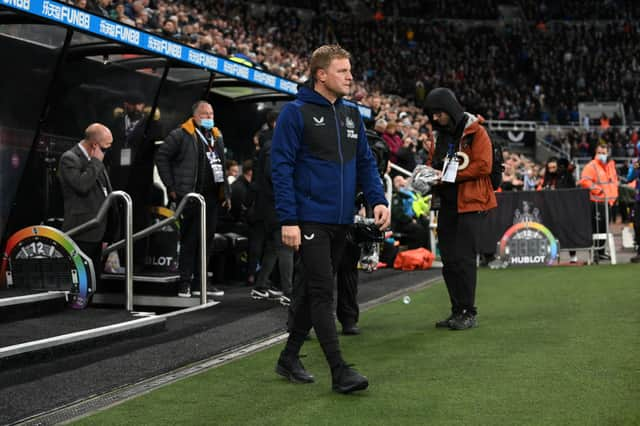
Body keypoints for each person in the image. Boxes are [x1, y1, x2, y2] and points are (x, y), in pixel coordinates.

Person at [271, 44, 390, 394]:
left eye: (350, 70)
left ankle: (289, 357)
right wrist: (289, 219)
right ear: (321, 74)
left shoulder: (352, 114)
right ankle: (340, 371)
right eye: (342, 71)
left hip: (342, 220)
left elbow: (366, 163)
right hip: (309, 220)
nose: (350, 76)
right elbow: (280, 169)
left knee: (310, 291)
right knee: (324, 291)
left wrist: (377, 199)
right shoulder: (295, 113)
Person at [424, 87, 497, 331]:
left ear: (450, 109)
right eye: (432, 114)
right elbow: (435, 164)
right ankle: (457, 310)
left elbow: (484, 166)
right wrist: (428, 175)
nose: (435, 118)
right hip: (447, 203)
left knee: (464, 259)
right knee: (449, 260)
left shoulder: (477, 132)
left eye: (438, 113)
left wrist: (449, 177)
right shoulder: (440, 136)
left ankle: (469, 311)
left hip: (471, 203)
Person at [155, 101, 229, 298]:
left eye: (211, 114)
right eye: (205, 114)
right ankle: (184, 282)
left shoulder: (216, 135)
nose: (209, 117)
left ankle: (200, 282)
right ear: (195, 116)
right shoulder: (181, 134)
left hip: (212, 198)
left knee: (207, 241)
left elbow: (221, 165)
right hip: (190, 197)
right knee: (190, 241)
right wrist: (171, 186)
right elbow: (162, 156)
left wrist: (226, 193)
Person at [105, 91, 162, 271]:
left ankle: (137, 261)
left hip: (140, 182)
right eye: (133, 104)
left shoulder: (152, 125)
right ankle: (117, 259)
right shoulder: (115, 124)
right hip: (118, 179)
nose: (137, 108)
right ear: (126, 105)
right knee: (117, 220)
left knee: (139, 222)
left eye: (140, 105)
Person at [59, 123, 115, 286]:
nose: (107, 152)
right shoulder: (69, 158)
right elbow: (82, 186)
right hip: (82, 230)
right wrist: (96, 161)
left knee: (94, 280)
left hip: (99, 230)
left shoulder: (96, 159)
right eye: (105, 148)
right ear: (95, 145)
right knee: (82, 283)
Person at [578, 143, 619, 260]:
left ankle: (601, 251)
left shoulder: (610, 166)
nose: (602, 155)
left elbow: (613, 182)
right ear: (595, 153)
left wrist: (614, 196)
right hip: (596, 202)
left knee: (604, 228)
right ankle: (595, 252)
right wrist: (599, 191)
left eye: (604, 153)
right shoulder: (591, 166)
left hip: (609, 202)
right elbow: (585, 181)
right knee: (596, 228)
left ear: (608, 153)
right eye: (599, 153)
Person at [627, 157, 640, 263]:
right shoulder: (636, 162)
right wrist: (635, 169)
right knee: (637, 224)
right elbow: (629, 178)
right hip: (638, 199)